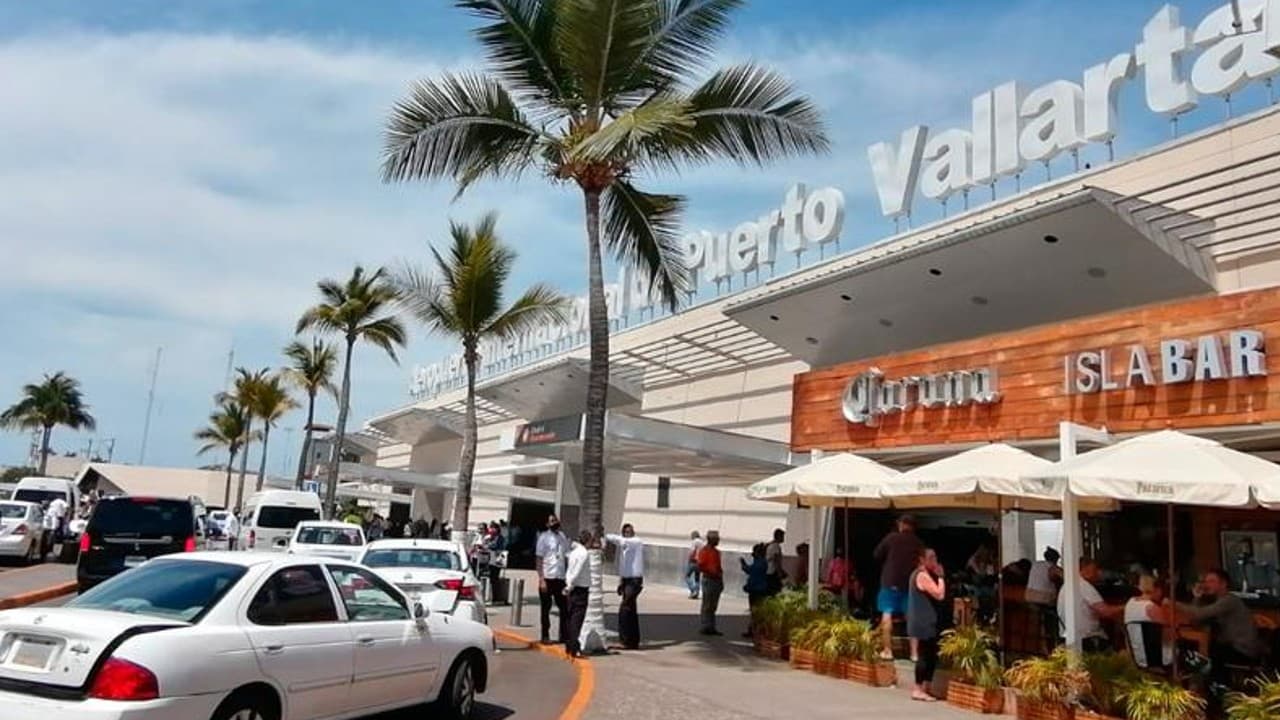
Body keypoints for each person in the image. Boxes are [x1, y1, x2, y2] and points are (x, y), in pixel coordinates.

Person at [1178, 569, 1265, 685]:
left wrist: (1174, 603)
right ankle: (1203, 686)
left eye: (1211, 581)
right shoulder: (1215, 602)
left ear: (1223, 584)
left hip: (1243, 649)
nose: (1206, 585)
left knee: (1209, 652)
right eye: (1205, 581)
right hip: (1228, 646)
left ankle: (1217, 688)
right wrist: (1197, 598)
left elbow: (1199, 613)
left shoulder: (1229, 600)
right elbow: (1196, 620)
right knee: (1192, 648)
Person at [873, 515, 925, 659]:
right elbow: (922, 563)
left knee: (887, 613)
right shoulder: (918, 543)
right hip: (909, 584)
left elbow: (877, 554)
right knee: (911, 617)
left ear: (901, 524)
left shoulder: (891, 538)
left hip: (889, 581)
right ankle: (914, 653)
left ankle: (887, 651)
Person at [1058, 558, 1122, 653]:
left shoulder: (1068, 584)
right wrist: (1128, 606)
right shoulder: (1083, 585)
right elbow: (1106, 612)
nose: (1097, 573)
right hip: (1087, 639)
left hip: (1068, 637)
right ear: (1085, 569)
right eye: (1095, 570)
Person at [907, 548, 946, 702]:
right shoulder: (921, 575)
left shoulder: (927, 574)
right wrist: (941, 577)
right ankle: (917, 688)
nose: (934, 561)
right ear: (922, 560)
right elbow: (939, 594)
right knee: (924, 655)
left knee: (932, 654)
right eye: (930, 558)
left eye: (935, 557)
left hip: (929, 621)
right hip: (922, 621)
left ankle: (926, 688)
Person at [604, 524, 645, 650]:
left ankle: (625, 640)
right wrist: (621, 582)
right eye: (626, 532)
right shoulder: (624, 548)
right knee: (631, 609)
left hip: (634, 580)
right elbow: (624, 566)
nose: (628, 533)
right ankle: (633, 641)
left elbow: (619, 540)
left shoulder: (636, 542)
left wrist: (605, 535)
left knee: (624, 609)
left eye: (630, 531)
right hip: (627, 580)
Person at [1124, 575, 1173, 669]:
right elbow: (1169, 635)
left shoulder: (1129, 603)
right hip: (1159, 659)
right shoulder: (1152, 608)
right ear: (1157, 590)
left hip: (1138, 658)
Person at [535, 514, 571, 645]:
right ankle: (545, 636)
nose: (554, 522)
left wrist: (568, 577)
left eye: (555, 520)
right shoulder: (543, 538)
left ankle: (564, 635)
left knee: (564, 607)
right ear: (547, 524)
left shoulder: (562, 536)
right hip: (548, 577)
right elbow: (539, 559)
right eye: (551, 521)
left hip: (560, 577)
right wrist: (541, 579)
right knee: (546, 609)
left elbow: (566, 556)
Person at [563, 531, 593, 658]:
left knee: (570, 619)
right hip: (579, 589)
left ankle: (569, 646)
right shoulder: (584, 553)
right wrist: (570, 585)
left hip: (572, 587)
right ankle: (574, 647)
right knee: (577, 620)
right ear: (588, 541)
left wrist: (568, 583)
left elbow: (569, 570)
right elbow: (577, 570)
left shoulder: (574, 552)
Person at [697, 530, 724, 636]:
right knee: (707, 604)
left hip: (716, 580)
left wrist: (720, 578)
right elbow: (701, 565)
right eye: (717, 539)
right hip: (709, 579)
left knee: (713, 605)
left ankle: (711, 626)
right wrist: (711, 572)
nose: (718, 540)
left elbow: (718, 567)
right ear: (711, 539)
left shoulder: (716, 552)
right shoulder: (704, 551)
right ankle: (705, 626)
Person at [741, 543, 769, 638]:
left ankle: (755, 630)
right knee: (756, 611)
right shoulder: (760, 562)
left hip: (757, 589)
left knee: (756, 611)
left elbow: (752, 571)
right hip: (758, 589)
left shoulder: (760, 563)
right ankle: (754, 629)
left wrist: (744, 565)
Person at [765, 528, 786, 595]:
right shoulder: (776, 546)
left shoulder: (771, 545)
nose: (784, 538)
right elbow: (776, 560)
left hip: (768, 571)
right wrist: (780, 572)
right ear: (778, 536)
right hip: (773, 572)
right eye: (782, 536)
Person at [685, 531, 704, 599]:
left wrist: (689, 559)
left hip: (694, 561)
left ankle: (693, 590)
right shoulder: (702, 543)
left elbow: (692, 551)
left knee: (687, 576)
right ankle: (697, 593)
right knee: (697, 578)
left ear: (693, 536)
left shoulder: (695, 541)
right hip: (700, 563)